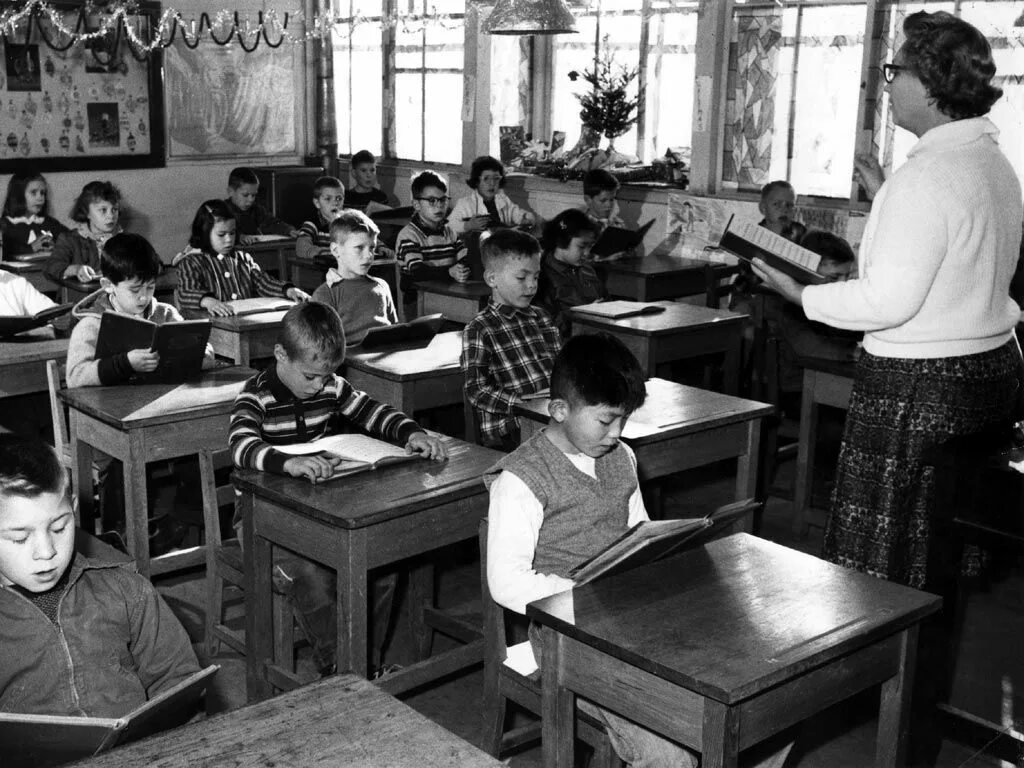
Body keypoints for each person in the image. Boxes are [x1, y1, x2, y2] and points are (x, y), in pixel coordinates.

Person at [753, 14, 1021, 760]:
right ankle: (912, 681)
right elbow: (944, 264)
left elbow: (886, 302)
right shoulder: (991, 162)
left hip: (919, 388)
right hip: (988, 373)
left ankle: (853, 705)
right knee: (934, 556)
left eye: (895, 70)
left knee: (878, 567)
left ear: (932, 86)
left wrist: (794, 291)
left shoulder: (928, 175)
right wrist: (882, 198)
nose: (887, 82)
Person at [485, 334, 793, 768]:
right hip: (566, 640)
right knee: (671, 757)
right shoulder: (520, 480)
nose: (616, 434)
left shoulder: (620, 456)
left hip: (631, 620)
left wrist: (670, 546)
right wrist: (581, 591)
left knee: (765, 711)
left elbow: (639, 533)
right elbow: (505, 582)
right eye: (606, 421)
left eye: (623, 421)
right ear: (558, 410)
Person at [228, 301, 447, 674]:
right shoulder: (256, 395)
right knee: (311, 574)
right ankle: (342, 670)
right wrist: (288, 462)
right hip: (263, 522)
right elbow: (241, 446)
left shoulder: (331, 385)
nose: (319, 386)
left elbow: (374, 412)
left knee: (382, 560)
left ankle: (364, 664)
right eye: (310, 376)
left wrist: (412, 433)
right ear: (280, 354)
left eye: (327, 375)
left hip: (321, 510)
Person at [0, 434, 201, 717]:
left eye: (59, 528)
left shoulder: (126, 589)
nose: (46, 552)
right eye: (20, 538)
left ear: (73, 507)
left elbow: (178, 676)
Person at [67, 232, 216, 387]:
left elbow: (207, 353)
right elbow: (75, 377)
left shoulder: (165, 314)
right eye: (135, 290)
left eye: (150, 287)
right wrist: (126, 363)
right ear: (108, 285)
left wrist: (191, 355)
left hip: (158, 401)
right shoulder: (91, 324)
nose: (144, 297)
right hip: (111, 407)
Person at [461, 229, 560, 450]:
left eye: (535, 277)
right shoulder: (480, 328)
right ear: (492, 279)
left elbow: (560, 369)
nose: (532, 285)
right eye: (521, 277)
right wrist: (524, 404)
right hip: (510, 428)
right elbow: (476, 390)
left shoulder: (541, 317)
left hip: (549, 417)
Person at [765, 230, 862, 397]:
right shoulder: (790, 302)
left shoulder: (828, 298)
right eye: (834, 277)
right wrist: (854, 352)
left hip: (826, 381)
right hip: (798, 391)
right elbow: (809, 346)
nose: (842, 284)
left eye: (847, 277)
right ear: (806, 271)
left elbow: (845, 330)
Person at [175, 200, 309, 317]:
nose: (228, 240)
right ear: (204, 232)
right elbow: (186, 292)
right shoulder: (192, 261)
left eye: (232, 233)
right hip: (212, 325)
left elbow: (262, 282)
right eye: (221, 234)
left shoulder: (242, 258)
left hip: (241, 322)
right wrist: (208, 301)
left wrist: (288, 290)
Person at [310, 210, 398, 346]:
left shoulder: (381, 286)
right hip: (350, 362)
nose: (369, 255)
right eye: (359, 248)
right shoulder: (326, 294)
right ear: (335, 250)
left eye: (372, 248)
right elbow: (323, 349)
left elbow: (396, 331)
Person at [396, 170, 468, 309]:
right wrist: (449, 272)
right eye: (431, 201)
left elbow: (464, 257)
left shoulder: (450, 232)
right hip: (418, 302)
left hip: (447, 296)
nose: (439, 205)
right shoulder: (409, 235)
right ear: (416, 204)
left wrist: (462, 269)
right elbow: (418, 272)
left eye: (443, 200)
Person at [535, 208, 604, 337]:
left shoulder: (587, 270)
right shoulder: (541, 276)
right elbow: (546, 326)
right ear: (561, 241)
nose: (587, 253)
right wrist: (583, 315)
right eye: (582, 246)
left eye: (590, 246)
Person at [44, 181, 123, 283]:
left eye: (114, 209)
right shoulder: (69, 239)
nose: (111, 216)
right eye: (103, 210)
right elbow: (50, 267)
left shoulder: (124, 240)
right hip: (78, 297)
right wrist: (76, 269)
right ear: (87, 213)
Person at [449, 156, 534, 236]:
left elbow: (519, 214)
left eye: (496, 179)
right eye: (486, 179)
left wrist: (526, 218)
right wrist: (468, 225)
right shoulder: (465, 204)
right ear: (476, 181)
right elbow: (448, 225)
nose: (492, 183)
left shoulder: (503, 200)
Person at [1, 170, 67, 257]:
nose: (40, 198)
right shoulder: (5, 226)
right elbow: (6, 251)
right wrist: (31, 248)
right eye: (33, 193)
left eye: (42, 193)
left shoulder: (49, 223)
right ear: (18, 195)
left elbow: (70, 240)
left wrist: (56, 246)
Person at [223, 167, 295, 244]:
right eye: (245, 195)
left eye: (253, 195)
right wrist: (238, 237)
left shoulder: (257, 210)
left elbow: (272, 223)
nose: (251, 200)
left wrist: (289, 230)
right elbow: (219, 233)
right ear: (230, 191)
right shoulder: (221, 211)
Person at [295, 175, 347, 269]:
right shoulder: (311, 224)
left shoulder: (349, 222)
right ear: (317, 203)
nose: (335, 203)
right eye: (328, 199)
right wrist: (327, 253)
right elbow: (301, 248)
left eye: (339, 198)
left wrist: (380, 247)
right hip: (322, 271)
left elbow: (368, 237)